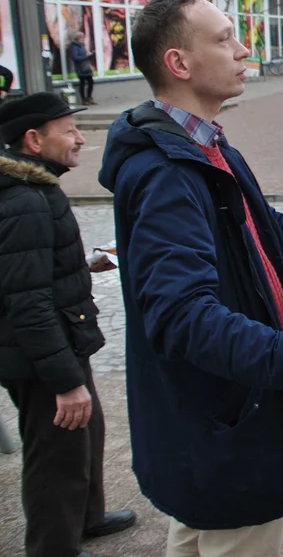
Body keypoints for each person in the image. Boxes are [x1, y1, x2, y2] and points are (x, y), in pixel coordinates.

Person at [97, 0, 283, 557]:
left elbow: (267, 231)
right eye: (224, 39)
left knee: (201, 533)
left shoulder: (203, 146)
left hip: (217, 426)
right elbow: (183, 318)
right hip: (224, 422)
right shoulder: (165, 172)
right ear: (179, 64)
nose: (243, 50)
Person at [0, 92, 137, 557]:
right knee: (55, 455)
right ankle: (53, 548)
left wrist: (83, 263)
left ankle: (86, 518)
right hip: (39, 355)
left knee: (86, 431)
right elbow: (27, 301)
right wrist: (64, 382)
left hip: (55, 345)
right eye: (69, 131)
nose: (80, 139)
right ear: (34, 140)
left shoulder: (35, 190)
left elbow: (30, 269)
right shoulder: (25, 201)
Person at [67, 33, 96, 105]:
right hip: (80, 68)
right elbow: (75, 57)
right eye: (81, 38)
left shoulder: (82, 46)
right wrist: (86, 56)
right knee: (82, 83)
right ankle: (84, 99)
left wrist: (90, 55)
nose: (83, 39)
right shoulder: (74, 47)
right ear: (78, 38)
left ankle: (89, 97)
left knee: (90, 82)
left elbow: (84, 56)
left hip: (86, 67)